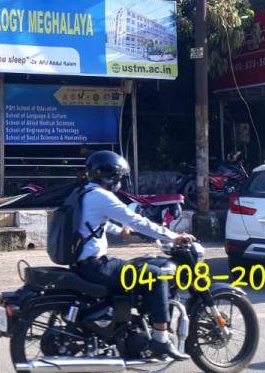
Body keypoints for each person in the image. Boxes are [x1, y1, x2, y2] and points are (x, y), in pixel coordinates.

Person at [72, 150, 196, 361]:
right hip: (96, 265)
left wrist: (118, 231)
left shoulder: (83, 193)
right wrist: (173, 236)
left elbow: (91, 222)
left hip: (83, 263)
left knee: (139, 268)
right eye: (119, 178)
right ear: (111, 177)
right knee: (157, 275)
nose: (120, 182)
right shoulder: (102, 196)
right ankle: (160, 340)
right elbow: (137, 220)